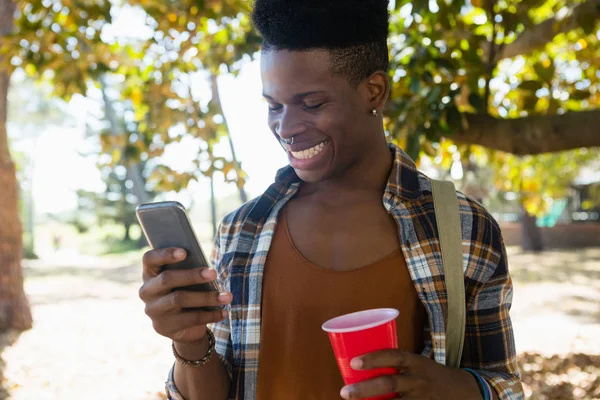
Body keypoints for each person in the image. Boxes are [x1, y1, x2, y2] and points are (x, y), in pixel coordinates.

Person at [138, 0, 524, 399]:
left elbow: (504, 385)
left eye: (313, 104)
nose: (285, 128)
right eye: (274, 106)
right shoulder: (241, 231)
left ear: (374, 91)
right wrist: (189, 340)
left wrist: (453, 388)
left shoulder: (462, 227)